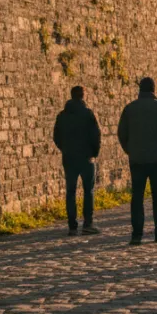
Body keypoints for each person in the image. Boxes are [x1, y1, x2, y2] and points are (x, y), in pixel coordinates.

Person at [117, 77, 157, 245]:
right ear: (154, 89)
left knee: (137, 196)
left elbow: (122, 133)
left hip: (137, 159)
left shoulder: (129, 108)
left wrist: (130, 150)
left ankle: (137, 234)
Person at [52, 86, 103, 236]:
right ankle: (88, 223)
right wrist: (94, 153)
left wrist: (65, 149)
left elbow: (56, 136)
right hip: (87, 158)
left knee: (71, 191)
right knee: (89, 191)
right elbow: (96, 136)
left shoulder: (62, 115)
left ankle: (72, 226)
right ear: (83, 96)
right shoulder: (88, 114)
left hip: (69, 157)